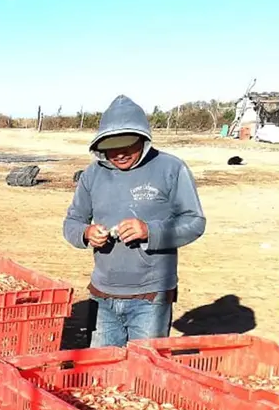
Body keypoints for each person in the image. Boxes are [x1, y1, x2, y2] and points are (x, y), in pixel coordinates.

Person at [63, 95, 206, 347]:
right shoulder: (92, 174)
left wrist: (149, 231)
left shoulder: (171, 168)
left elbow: (195, 222)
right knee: (102, 367)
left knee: (145, 366)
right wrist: (86, 233)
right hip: (102, 295)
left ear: (142, 140)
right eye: (112, 148)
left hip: (151, 297)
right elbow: (72, 221)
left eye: (127, 146)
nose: (120, 154)